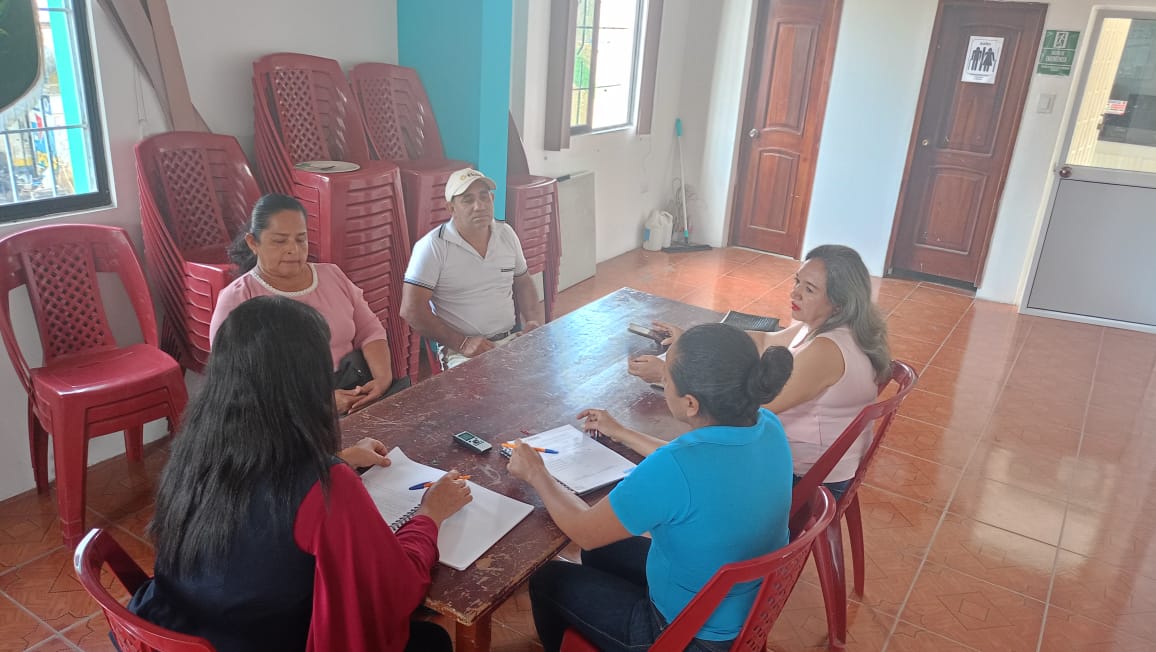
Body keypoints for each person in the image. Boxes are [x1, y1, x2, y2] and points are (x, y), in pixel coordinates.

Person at [130, 296, 472, 652]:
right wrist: (429, 515)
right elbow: (393, 589)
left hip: (174, 629)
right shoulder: (326, 486)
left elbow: (260, 488)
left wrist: (339, 457)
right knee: (432, 641)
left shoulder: (196, 448)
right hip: (257, 641)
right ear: (306, 385)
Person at [507, 323, 794, 651]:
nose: (664, 383)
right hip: (744, 609)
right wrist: (621, 432)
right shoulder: (767, 425)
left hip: (683, 635)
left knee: (548, 579)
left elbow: (584, 531)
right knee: (600, 551)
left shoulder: (676, 467)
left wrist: (537, 474)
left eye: (666, 379)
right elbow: (693, 466)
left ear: (690, 404)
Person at [628, 245, 890, 499]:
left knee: (687, 464)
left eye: (809, 289)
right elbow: (763, 340)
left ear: (839, 304)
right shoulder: (824, 327)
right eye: (797, 281)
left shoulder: (826, 351)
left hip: (807, 481)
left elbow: (746, 411)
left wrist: (670, 373)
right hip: (806, 461)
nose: (795, 293)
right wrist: (692, 341)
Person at [209, 193, 394, 415]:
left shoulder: (332, 275)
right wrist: (318, 404)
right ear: (253, 243)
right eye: (279, 241)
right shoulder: (238, 298)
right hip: (285, 413)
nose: (293, 249)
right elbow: (235, 381)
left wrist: (382, 379)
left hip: (353, 391)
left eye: (300, 239)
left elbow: (370, 330)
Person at [401, 168, 544, 369]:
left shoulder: (506, 234)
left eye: (484, 197)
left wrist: (533, 322)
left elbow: (523, 281)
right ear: (451, 208)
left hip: (510, 339)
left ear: (492, 199)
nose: (479, 206)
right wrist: (461, 343)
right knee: (484, 388)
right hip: (462, 353)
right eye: (467, 200)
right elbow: (411, 310)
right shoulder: (433, 246)